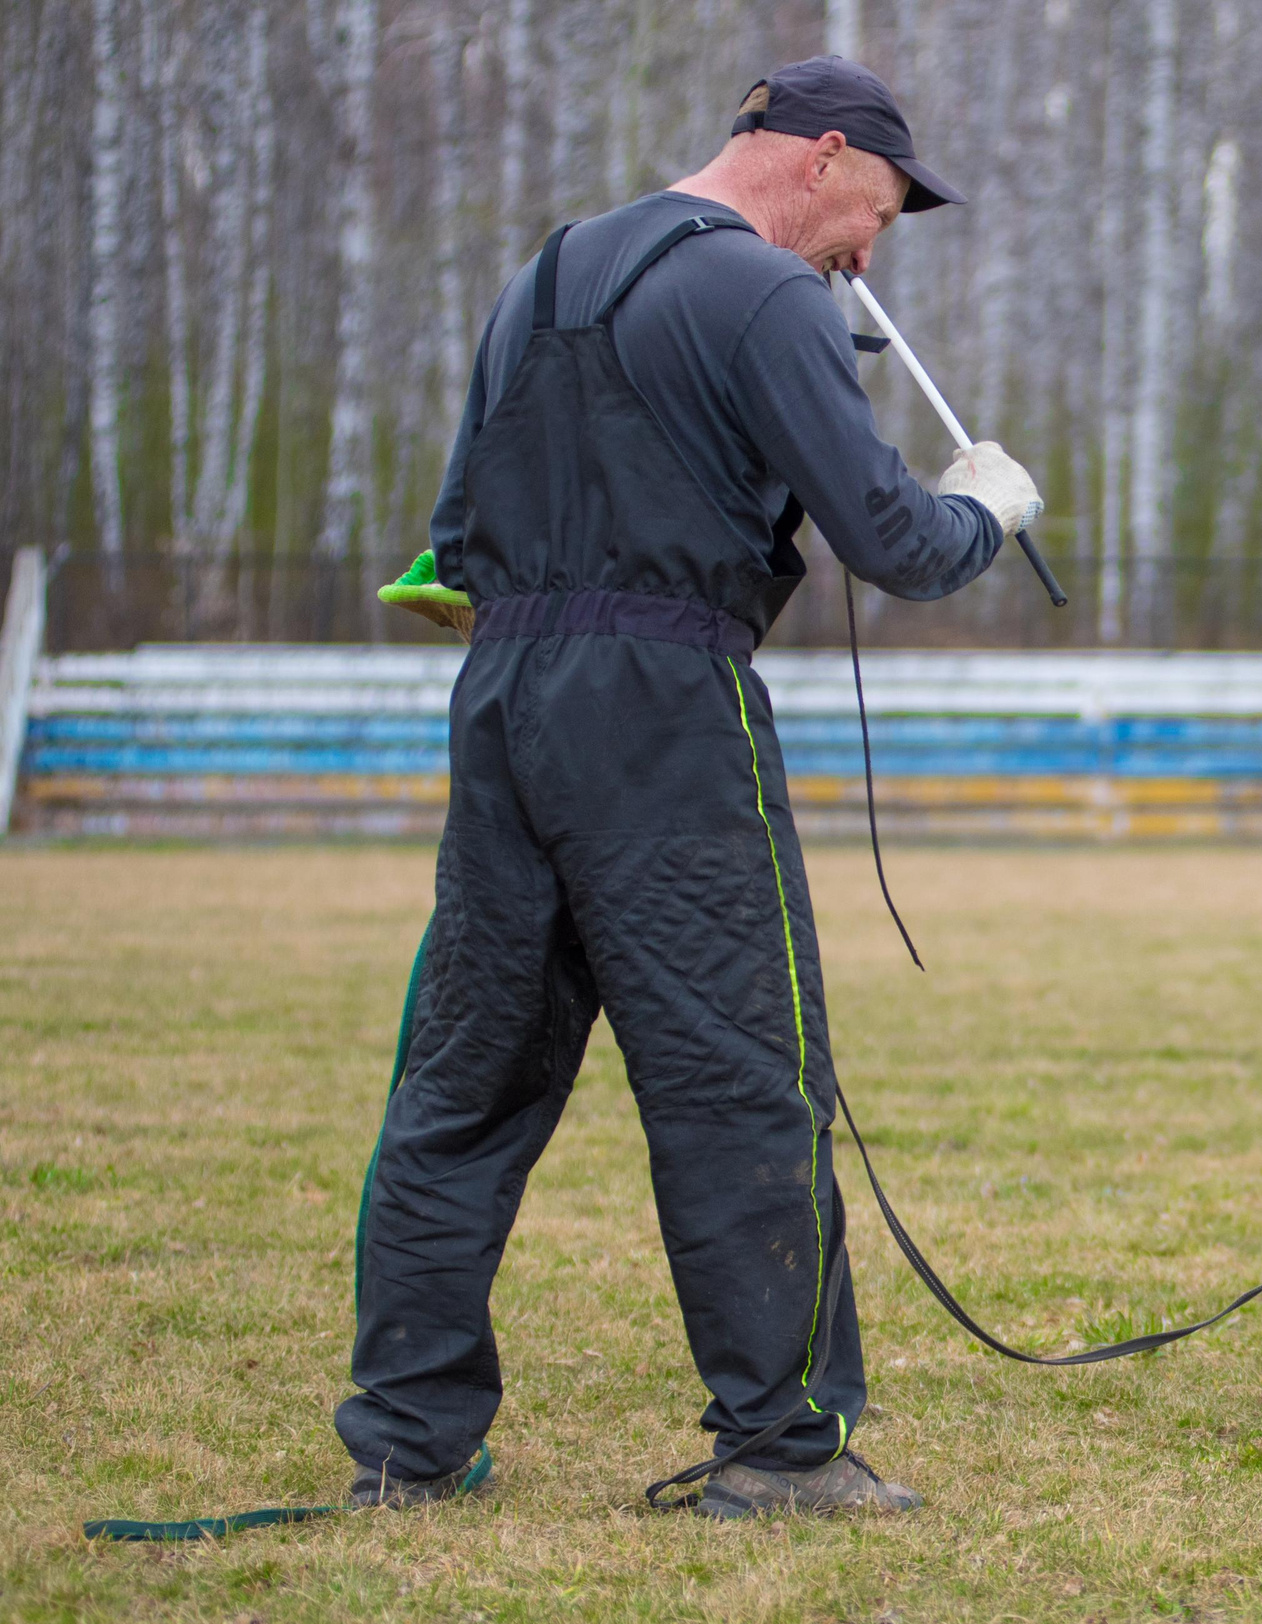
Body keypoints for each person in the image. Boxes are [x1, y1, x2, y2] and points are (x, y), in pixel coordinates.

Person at [342, 57, 1040, 1520]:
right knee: (742, 1082)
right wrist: (987, 502)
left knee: (461, 1085)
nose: (874, 248)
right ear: (825, 155)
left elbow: (453, 539)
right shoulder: (771, 295)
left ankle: (409, 1443)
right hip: (665, 713)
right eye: (883, 210)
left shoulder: (544, 276)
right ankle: (783, 1450)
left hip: (503, 708)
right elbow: (897, 541)